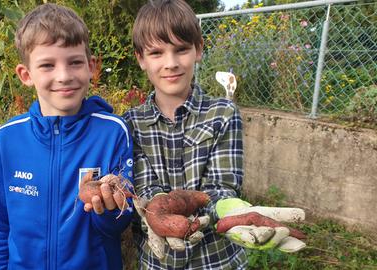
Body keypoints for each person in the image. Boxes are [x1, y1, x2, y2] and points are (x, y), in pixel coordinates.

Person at [124, 0, 305, 269]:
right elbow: (146, 192)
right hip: (158, 262)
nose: (171, 63)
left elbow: (221, 188)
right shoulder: (131, 123)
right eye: (157, 53)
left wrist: (229, 211)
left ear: (198, 50)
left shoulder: (223, 114)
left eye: (181, 50)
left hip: (218, 261)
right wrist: (154, 214)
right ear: (141, 59)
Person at [0, 3, 134, 269]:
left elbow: (119, 225)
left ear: (90, 66)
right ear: (26, 74)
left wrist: (109, 209)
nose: (64, 76)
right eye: (47, 65)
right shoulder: (6, 139)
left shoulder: (112, 133)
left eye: (75, 62)